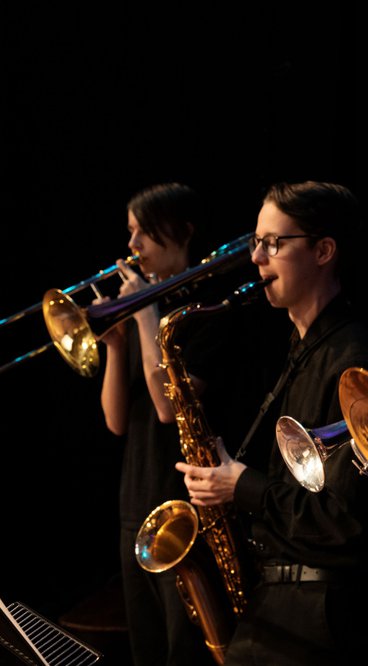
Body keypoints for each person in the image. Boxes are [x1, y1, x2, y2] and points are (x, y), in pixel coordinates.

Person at [175, 180, 368, 665]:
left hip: (321, 620)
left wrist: (242, 487)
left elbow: (347, 524)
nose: (257, 258)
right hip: (286, 606)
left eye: (274, 243)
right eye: (256, 243)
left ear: (323, 251)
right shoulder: (303, 353)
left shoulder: (356, 364)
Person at [98, 182, 218, 666]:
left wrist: (148, 312)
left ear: (183, 232)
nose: (133, 248)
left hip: (181, 506)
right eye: (131, 233)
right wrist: (115, 345)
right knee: (145, 646)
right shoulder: (142, 318)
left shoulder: (204, 312)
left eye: (144, 233)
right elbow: (115, 422)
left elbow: (169, 407)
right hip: (136, 500)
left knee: (179, 649)